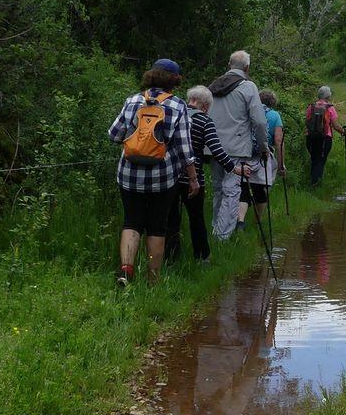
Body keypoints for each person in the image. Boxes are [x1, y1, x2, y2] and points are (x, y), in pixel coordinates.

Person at [108, 58, 198, 286]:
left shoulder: (133, 101)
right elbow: (185, 149)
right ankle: (153, 280)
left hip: (129, 176)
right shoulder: (178, 106)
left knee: (132, 222)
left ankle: (126, 270)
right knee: (157, 226)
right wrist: (193, 178)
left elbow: (114, 135)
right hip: (162, 178)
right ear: (174, 80)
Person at [165, 85, 251, 264]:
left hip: (169, 174)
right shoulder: (204, 121)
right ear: (205, 105)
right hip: (193, 176)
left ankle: (170, 258)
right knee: (196, 218)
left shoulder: (174, 114)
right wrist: (234, 168)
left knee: (171, 218)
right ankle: (202, 257)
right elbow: (216, 149)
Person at [207, 50, 268, 240]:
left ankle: (216, 229)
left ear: (228, 65)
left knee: (218, 188)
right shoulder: (248, 87)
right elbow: (259, 121)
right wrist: (264, 146)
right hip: (236, 148)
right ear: (247, 68)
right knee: (232, 190)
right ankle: (222, 236)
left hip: (212, 146)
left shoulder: (213, 85)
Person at [238, 89, 286, 230]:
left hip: (245, 153)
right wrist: (281, 163)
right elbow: (278, 141)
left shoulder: (248, 112)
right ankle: (258, 221)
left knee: (244, 188)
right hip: (263, 156)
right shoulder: (274, 115)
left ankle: (240, 220)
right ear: (272, 102)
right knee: (261, 188)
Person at [305, 85, 346, 185]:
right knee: (321, 161)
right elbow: (335, 126)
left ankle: (313, 183)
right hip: (325, 138)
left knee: (314, 159)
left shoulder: (311, 106)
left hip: (310, 137)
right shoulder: (329, 108)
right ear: (328, 97)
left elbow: (307, 122)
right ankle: (316, 184)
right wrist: (344, 132)